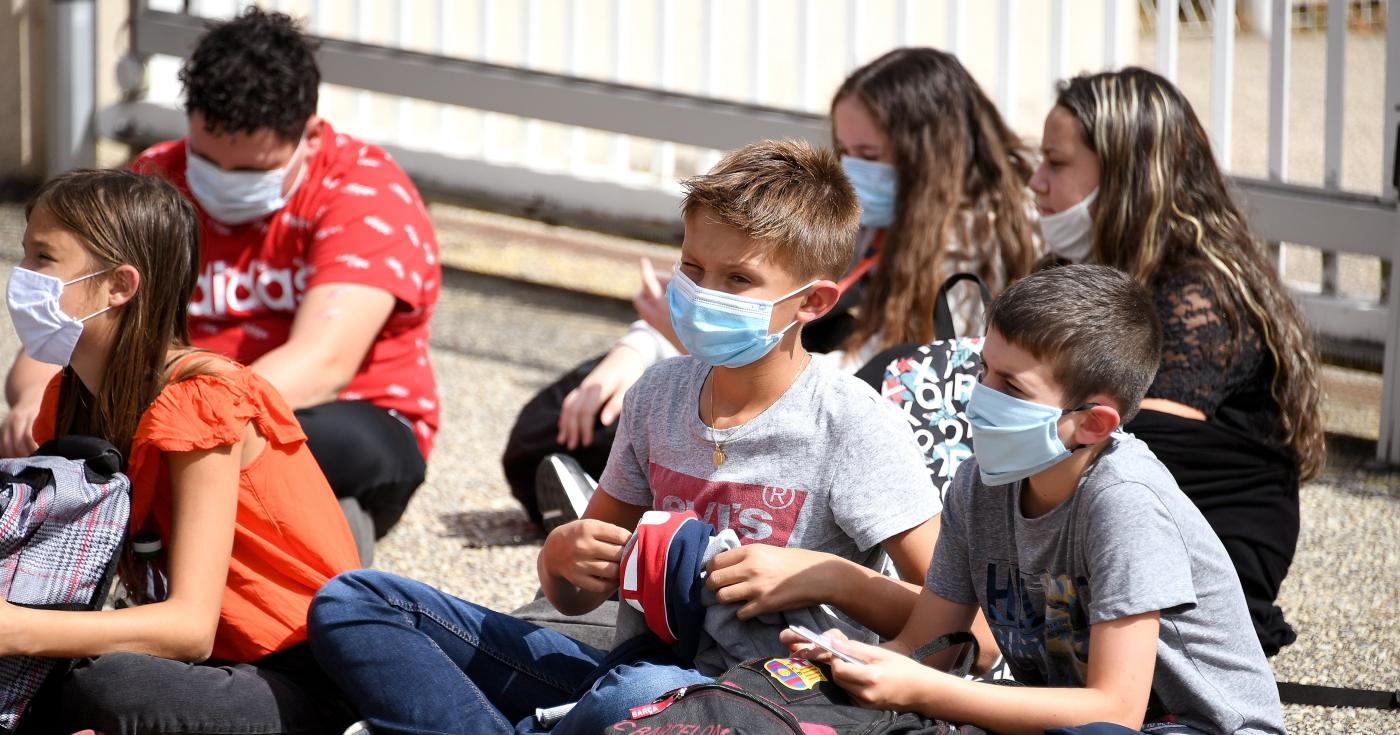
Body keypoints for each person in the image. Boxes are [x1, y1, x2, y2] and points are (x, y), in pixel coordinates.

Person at [307, 140, 944, 734]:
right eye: (692, 266)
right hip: (633, 675)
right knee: (355, 601)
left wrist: (830, 578)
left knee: (625, 700)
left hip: (764, 699)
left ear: (813, 302)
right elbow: (576, 592)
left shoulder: (851, 424)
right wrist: (562, 557)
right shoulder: (659, 395)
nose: (702, 293)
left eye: (738, 281)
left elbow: (965, 629)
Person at [505, 47, 1041, 528]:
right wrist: (635, 349)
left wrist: (694, 335)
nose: (853, 169)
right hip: (752, 355)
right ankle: (628, 510)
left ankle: (625, 514)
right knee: (554, 425)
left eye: (870, 156)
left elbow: (892, 374)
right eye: (844, 149)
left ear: (930, 156)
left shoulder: (980, 239)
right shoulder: (865, 217)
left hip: (819, 392)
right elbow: (725, 272)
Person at [0, 7, 441, 562]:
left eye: (251, 173)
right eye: (206, 160)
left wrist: (177, 427)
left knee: (305, 449)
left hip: (328, 415)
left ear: (310, 133)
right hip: (166, 417)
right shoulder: (152, 182)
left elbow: (322, 363)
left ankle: (317, 554)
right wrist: (32, 402)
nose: (223, 183)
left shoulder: (366, 195)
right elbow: (68, 309)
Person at [784, 265, 1287, 735]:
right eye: (984, 369)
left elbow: (1116, 711)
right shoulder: (978, 487)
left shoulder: (1124, 502)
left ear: (1092, 423)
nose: (980, 394)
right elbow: (926, 651)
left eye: (1012, 388)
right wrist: (847, 661)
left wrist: (929, 691)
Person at [5, 169, 360, 734]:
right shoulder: (66, 395)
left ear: (120, 286)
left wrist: (14, 629)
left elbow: (189, 627)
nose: (22, 277)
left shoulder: (203, 399)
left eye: (43, 259)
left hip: (297, 672)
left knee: (107, 689)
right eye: (25, 255)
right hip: (201, 662)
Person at [1028, 67, 1325, 655]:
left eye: (1057, 165)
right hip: (1111, 545)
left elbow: (1139, 446)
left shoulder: (1203, 292)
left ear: (1127, 177)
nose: (1036, 182)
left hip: (1206, 564)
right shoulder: (1080, 270)